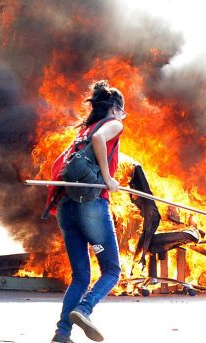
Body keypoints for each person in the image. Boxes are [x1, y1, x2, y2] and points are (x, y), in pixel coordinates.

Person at [47, 80, 126, 343]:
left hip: (67, 208)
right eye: (123, 112)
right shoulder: (109, 125)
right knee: (112, 271)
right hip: (91, 204)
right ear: (114, 109)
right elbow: (100, 138)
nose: (123, 118)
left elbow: (59, 166)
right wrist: (107, 178)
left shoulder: (80, 134)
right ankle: (84, 309)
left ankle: (62, 333)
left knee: (81, 275)